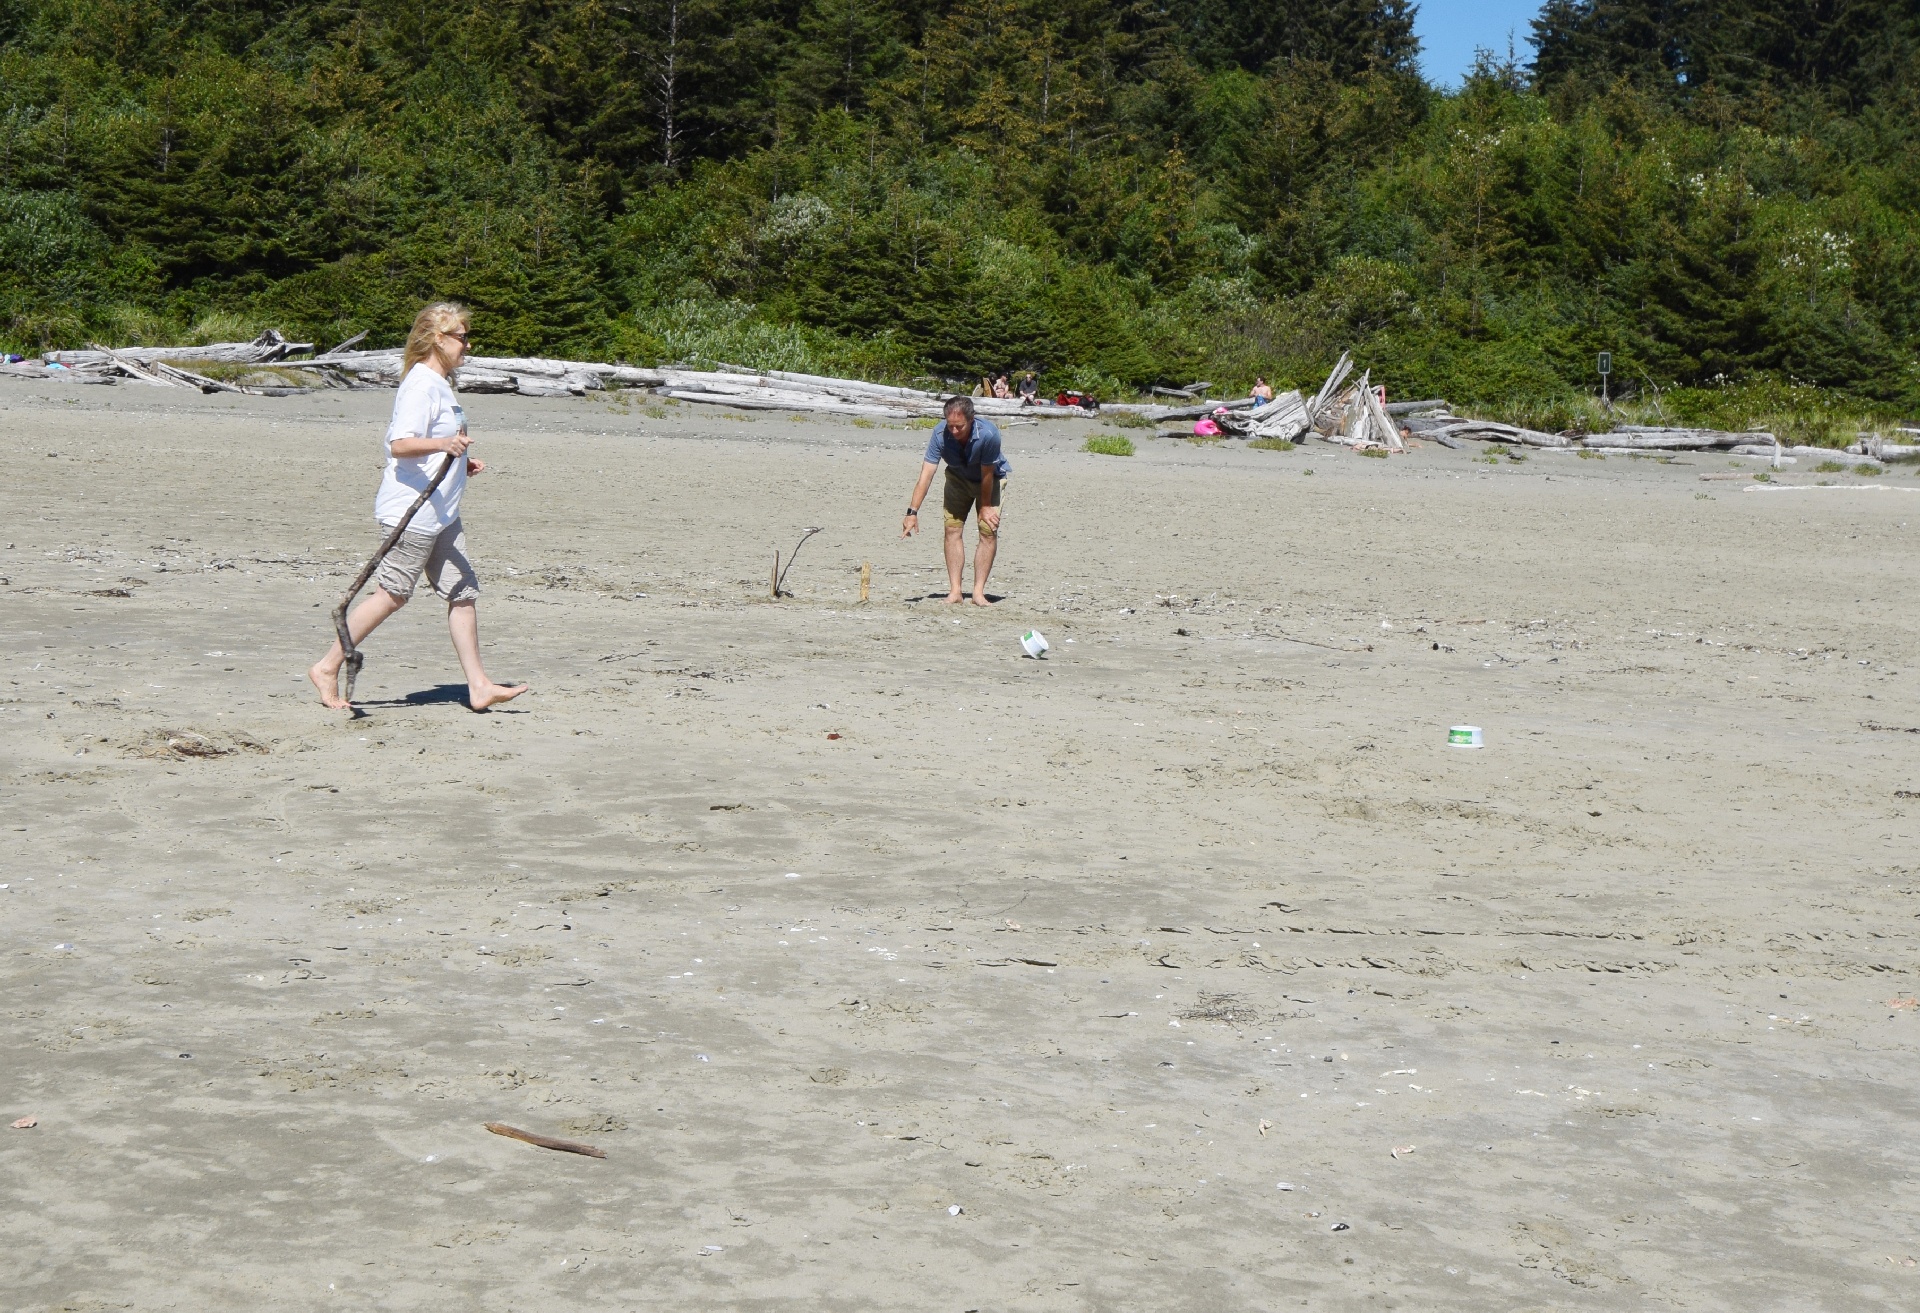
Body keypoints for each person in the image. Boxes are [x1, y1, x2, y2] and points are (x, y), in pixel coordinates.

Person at [308, 302, 528, 712]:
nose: (468, 345)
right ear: (438, 339)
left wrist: (460, 461)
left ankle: (479, 686)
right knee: (392, 594)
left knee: (462, 592)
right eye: (462, 337)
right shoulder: (420, 385)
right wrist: (445, 444)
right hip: (412, 512)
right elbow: (400, 444)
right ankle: (327, 665)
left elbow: (432, 444)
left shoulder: (439, 383)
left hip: (443, 512)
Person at [902, 396, 1008, 605]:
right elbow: (926, 474)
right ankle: (955, 591)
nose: (954, 431)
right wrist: (912, 512)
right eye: (950, 426)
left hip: (990, 479)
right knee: (952, 529)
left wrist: (986, 506)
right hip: (958, 478)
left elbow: (987, 473)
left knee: (987, 530)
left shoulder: (989, 434)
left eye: (959, 426)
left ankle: (978, 593)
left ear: (971, 420)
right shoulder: (939, 434)